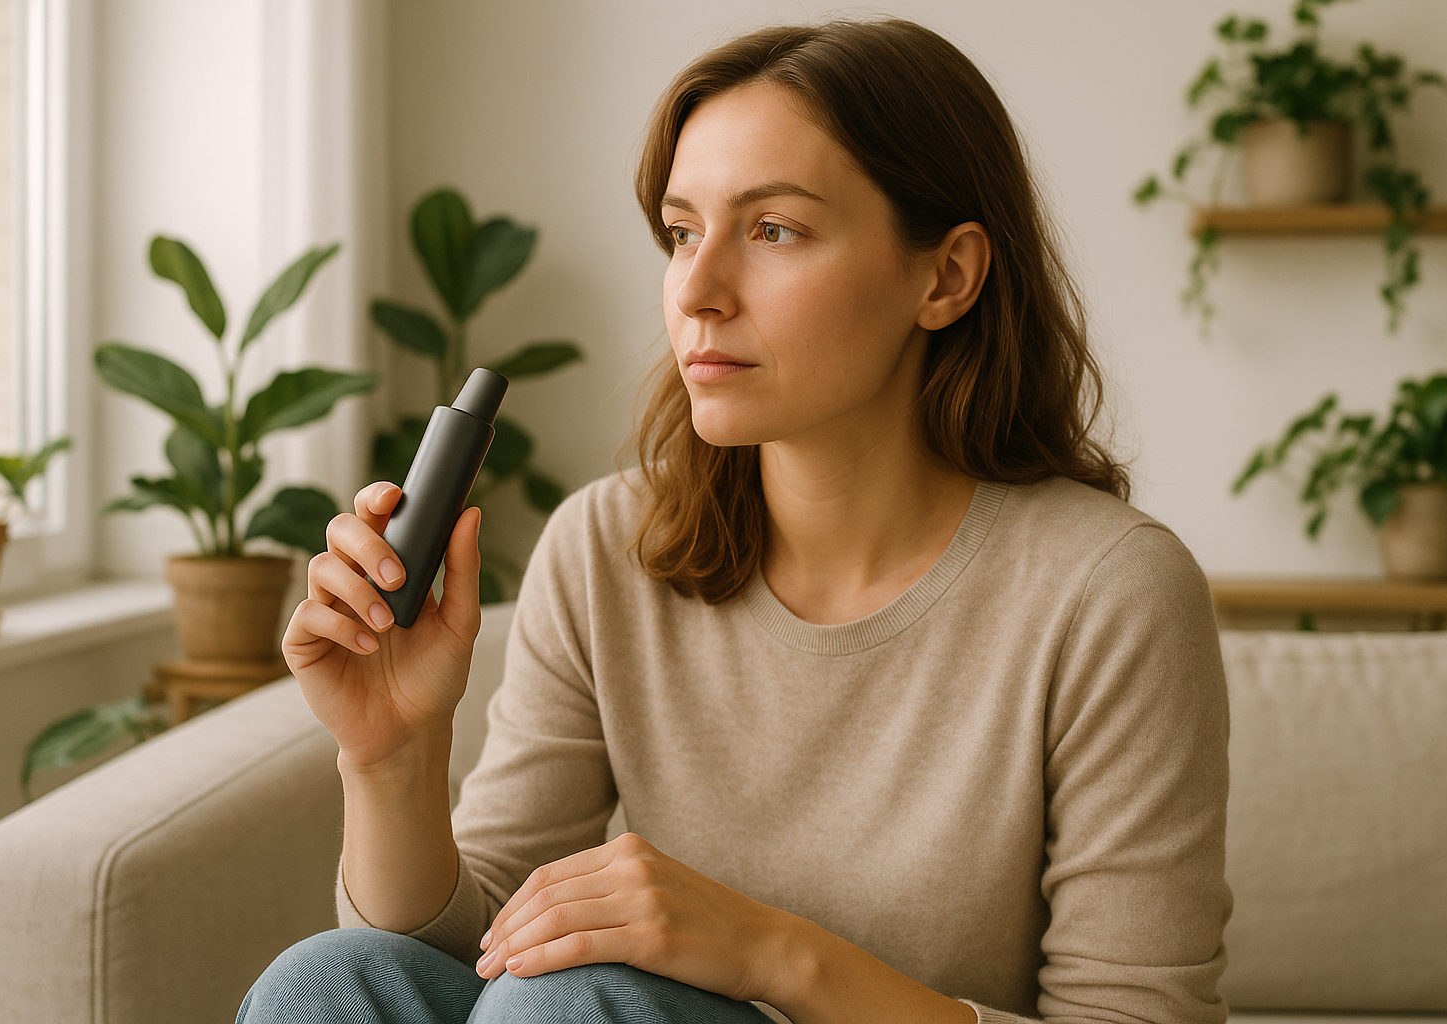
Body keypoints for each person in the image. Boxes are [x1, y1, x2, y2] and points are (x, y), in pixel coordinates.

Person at [239, 18, 1231, 1024]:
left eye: (773, 231)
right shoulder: (604, 548)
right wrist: (393, 757)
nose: (697, 292)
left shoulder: (1108, 591)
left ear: (946, 277)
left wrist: (772, 953)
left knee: (569, 1006)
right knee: (327, 982)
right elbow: (470, 960)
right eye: (682, 233)